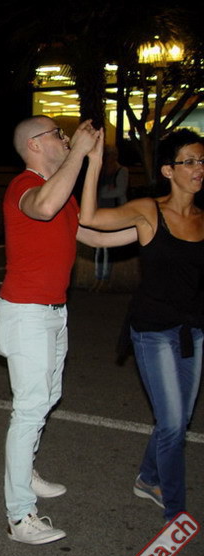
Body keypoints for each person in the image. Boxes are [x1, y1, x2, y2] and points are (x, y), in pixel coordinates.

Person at [0, 117, 137, 544]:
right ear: (35, 145)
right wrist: (79, 154)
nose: (65, 138)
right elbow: (43, 208)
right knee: (29, 410)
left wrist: (152, 229)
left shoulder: (58, 192)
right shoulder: (24, 186)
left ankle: (26, 471)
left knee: (47, 398)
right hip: (27, 315)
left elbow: (94, 236)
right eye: (58, 134)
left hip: (53, 313)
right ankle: (19, 516)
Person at [79, 128, 204, 521]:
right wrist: (94, 164)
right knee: (172, 423)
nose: (199, 168)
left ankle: (149, 478)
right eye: (189, 161)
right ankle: (175, 511)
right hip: (153, 331)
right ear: (168, 170)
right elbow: (90, 219)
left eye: (202, 160)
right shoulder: (150, 211)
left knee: (178, 421)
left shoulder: (202, 218)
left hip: (193, 331)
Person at [93, 145, 129, 290]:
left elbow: (120, 191)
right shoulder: (101, 171)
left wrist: (103, 192)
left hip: (115, 211)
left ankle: (105, 279)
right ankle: (98, 278)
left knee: (108, 248)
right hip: (100, 211)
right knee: (98, 248)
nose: (108, 158)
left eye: (110, 155)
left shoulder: (121, 171)